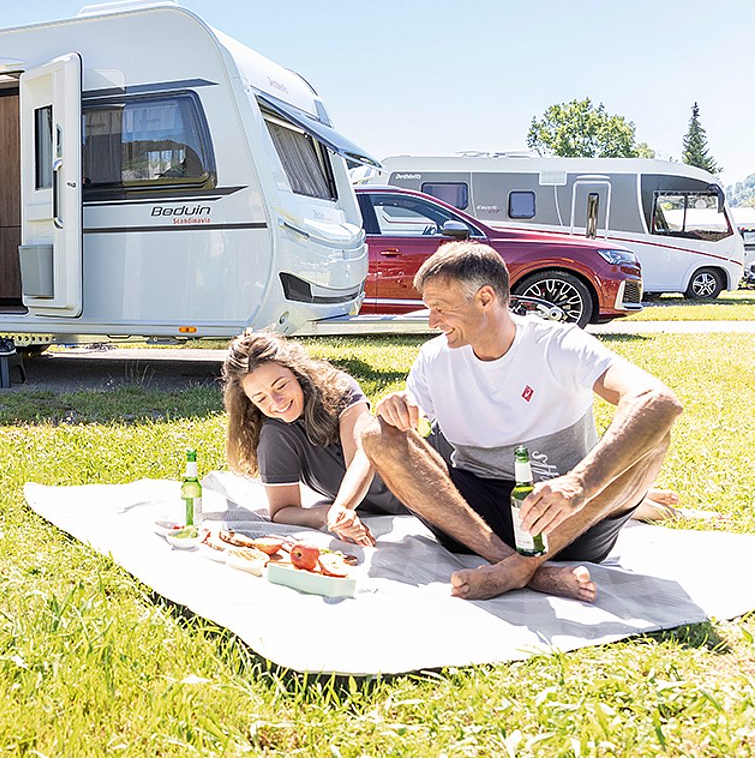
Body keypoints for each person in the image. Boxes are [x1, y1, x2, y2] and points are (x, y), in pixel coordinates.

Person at [361, 242, 682, 602]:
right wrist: (396, 410)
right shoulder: (435, 357)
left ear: (485, 298)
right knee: (376, 432)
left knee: (654, 435)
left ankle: (519, 568)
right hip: (473, 519)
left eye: (440, 308)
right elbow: (408, 427)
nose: (432, 321)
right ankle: (521, 568)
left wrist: (577, 485)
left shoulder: (557, 344)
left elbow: (658, 400)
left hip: (563, 520)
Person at [222, 331, 410, 546]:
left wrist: (343, 507)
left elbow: (362, 455)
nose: (276, 402)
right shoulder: (275, 434)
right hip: (382, 509)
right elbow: (282, 511)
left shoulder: (340, 389)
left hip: (425, 484)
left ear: (296, 372)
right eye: (261, 398)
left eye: (281, 386)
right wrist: (327, 515)